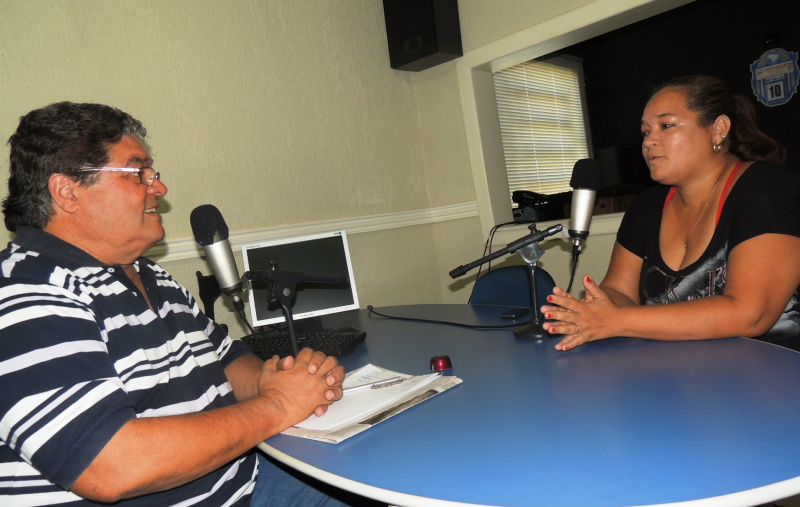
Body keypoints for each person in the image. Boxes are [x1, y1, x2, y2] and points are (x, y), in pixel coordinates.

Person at [0, 102, 356, 507]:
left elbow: (225, 358)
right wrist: (277, 405)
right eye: (138, 173)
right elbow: (111, 466)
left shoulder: (150, 275)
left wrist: (275, 380)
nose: (160, 187)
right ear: (67, 191)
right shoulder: (24, 295)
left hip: (248, 484)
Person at [542, 75, 800, 352]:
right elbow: (620, 290)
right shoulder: (646, 206)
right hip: (676, 373)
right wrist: (592, 312)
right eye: (645, 131)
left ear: (718, 129)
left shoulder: (770, 188)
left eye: (666, 126)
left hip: (772, 377)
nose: (649, 141)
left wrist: (617, 320)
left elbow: (751, 314)